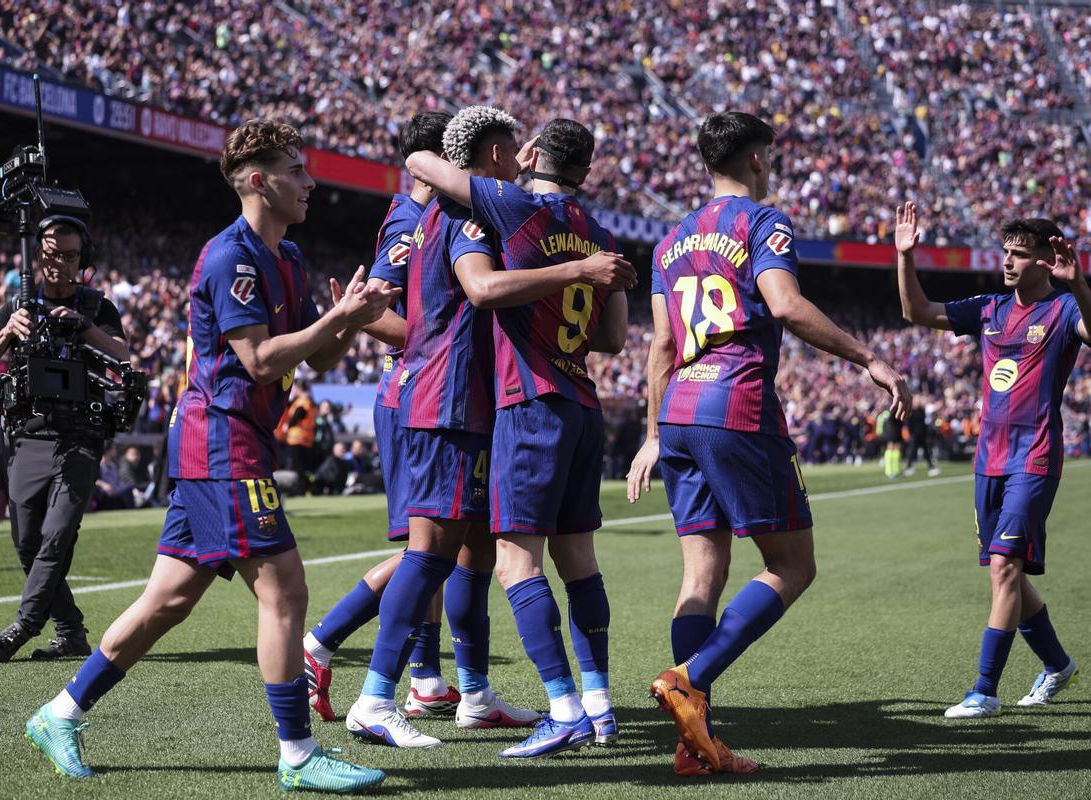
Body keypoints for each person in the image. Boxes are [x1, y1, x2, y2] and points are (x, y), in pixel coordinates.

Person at [22, 119, 395, 792]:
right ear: (259, 181)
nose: (311, 183)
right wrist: (332, 323)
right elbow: (256, 362)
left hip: (225, 439)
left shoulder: (290, 256)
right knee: (285, 590)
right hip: (222, 440)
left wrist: (351, 318)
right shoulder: (230, 257)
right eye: (296, 171)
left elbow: (316, 352)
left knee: (168, 600)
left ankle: (60, 711)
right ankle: (299, 754)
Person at [626, 112, 910, 774]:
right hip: (737, 401)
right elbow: (782, 305)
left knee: (702, 572)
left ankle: (696, 745)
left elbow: (662, 346)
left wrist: (651, 432)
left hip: (681, 412)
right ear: (758, 160)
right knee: (792, 563)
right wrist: (866, 356)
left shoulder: (669, 242)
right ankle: (689, 678)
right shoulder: (763, 221)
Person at [344, 105, 630, 752]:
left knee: (467, 555)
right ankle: (376, 696)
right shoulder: (474, 214)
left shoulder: (484, 210)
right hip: (453, 398)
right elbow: (478, 291)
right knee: (433, 553)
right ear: (498, 156)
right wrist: (578, 270)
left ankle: (472, 692)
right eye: (508, 149)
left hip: (476, 402)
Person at [303, 112, 534, 731]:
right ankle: (326, 647)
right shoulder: (416, 220)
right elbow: (371, 310)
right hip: (423, 394)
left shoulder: (444, 215)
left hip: (453, 393)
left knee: (464, 548)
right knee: (429, 548)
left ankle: (441, 685)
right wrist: (434, 340)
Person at [896, 203, 1087, 718]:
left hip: (1035, 456)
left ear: (1048, 260)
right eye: (1005, 251)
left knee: (1004, 568)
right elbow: (917, 312)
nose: (1007, 261)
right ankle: (1058, 666)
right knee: (1009, 574)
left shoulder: (1065, 310)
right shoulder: (988, 308)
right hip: (989, 460)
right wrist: (905, 258)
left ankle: (984, 689)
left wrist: (1081, 284)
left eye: (1020, 254)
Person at [0, 218, 129, 660]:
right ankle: (72, 632)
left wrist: (83, 327)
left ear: (84, 260)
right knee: (27, 540)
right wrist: (6, 330)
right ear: (38, 255)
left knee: (58, 533)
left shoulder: (98, 307)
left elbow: (122, 355)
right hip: (29, 433)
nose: (59, 263)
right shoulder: (16, 305)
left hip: (80, 433)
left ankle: (24, 625)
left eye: (70, 256)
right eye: (52, 254)